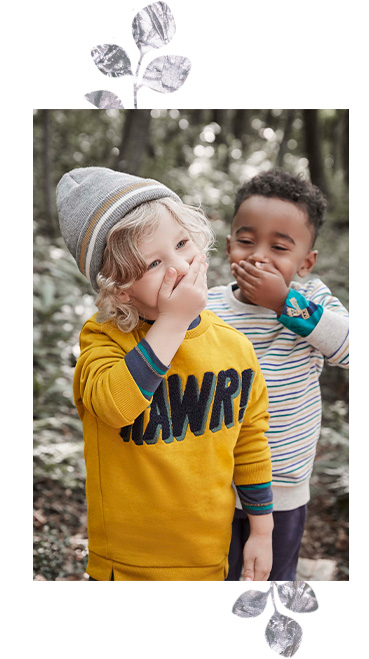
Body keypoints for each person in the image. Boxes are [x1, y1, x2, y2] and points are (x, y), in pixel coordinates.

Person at [56, 166, 274, 581]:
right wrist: (172, 323)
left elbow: (250, 443)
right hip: (125, 566)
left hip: (209, 558)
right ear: (120, 288)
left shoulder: (234, 348)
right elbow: (114, 405)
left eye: (181, 243)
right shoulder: (102, 340)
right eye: (155, 261)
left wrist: (261, 531)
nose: (179, 265)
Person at [207, 168, 349, 581]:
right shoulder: (208, 305)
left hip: (282, 489)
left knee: (269, 582)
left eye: (279, 247)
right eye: (247, 241)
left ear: (305, 263)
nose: (259, 255)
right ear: (230, 245)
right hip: (213, 482)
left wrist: (285, 303)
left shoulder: (310, 302)